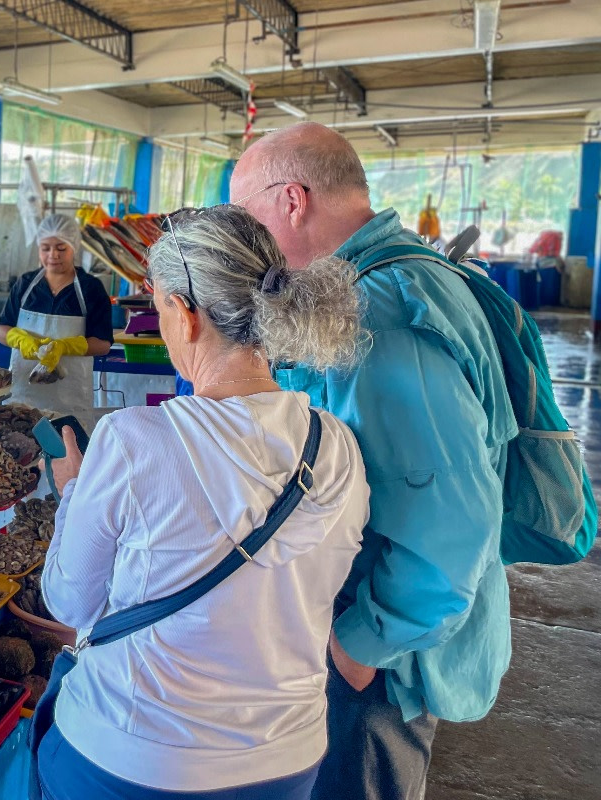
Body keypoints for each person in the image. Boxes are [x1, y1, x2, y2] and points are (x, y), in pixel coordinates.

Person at [40, 204, 370, 800]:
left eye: (159, 308)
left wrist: (72, 492)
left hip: (133, 756)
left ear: (186, 315)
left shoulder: (133, 440)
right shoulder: (338, 446)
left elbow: (70, 602)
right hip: (287, 760)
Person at [230, 122, 517, 800]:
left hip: (377, 654)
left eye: (246, 215)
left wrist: (362, 644)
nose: (245, 238)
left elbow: (453, 518)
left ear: (292, 200)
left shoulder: (373, 314)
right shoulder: (396, 277)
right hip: (377, 629)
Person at [0, 213, 113, 421]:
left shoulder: (90, 288)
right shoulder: (26, 284)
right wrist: (22, 340)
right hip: (22, 398)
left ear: (74, 247)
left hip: (70, 402)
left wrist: (64, 347)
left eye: (61, 248)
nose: (53, 255)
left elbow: (103, 344)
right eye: (45, 248)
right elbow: (0, 330)